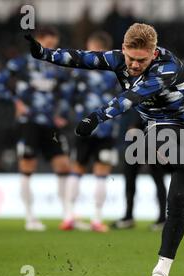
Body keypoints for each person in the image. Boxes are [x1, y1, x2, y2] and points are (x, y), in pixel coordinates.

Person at [24, 23, 184, 276]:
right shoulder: (120, 59)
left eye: (141, 60)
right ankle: (161, 273)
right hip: (162, 129)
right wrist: (43, 53)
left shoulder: (168, 67)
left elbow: (131, 97)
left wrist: (96, 117)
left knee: (170, 175)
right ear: (123, 49)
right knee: (166, 167)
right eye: (130, 57)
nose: (133, 64)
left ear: (153, 54)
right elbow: (83, 58)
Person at [0, 27, 71, 231]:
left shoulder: (57, 65)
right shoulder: (22, 62)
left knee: (63, 165)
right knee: (27, 166)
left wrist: (62, 113)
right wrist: (14, 101)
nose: (51, 49)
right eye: (48, 45)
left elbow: (66, 92)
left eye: (54, 45)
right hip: (29, 121)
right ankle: (30, 217)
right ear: (39, 41)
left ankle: (68, 216)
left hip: (50, 124)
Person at [61, 31, 121, 233]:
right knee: (101, 172)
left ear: (95, 46)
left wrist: (68, 114)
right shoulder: (116, 72)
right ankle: (96, 219)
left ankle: (69, 216)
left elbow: (67, 96)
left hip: (84, 126)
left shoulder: (79, 70)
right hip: (106, 127)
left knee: (77, 168)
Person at [110, 108, 168, 232]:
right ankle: (128, 216)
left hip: (151, 141)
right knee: (130, 179)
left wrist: (135, 125)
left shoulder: (148, 94)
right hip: (134, 143)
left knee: (158, 179)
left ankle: (162, 218)